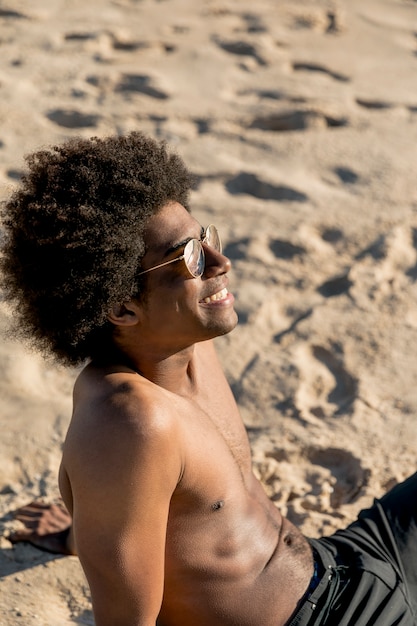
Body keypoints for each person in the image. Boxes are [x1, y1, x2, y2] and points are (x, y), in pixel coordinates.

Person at [1, 132, 416, 626]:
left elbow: (161, 512)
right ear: (120, 305)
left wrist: (82, 532)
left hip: (346, 560)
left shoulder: (182, 341)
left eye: (207, 240)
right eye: (190, 258)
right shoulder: (130, 423)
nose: (221, 263)